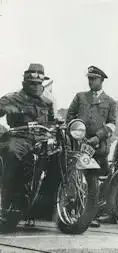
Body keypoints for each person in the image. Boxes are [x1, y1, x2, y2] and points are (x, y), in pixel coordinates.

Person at [0, 63, 55, 230]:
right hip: (20, 138)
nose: (36, 87)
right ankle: (5, 205)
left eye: (39, 83)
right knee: (12, 154)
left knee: (60, 157)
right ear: (24, 82)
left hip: (42, 139)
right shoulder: (12, 97)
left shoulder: (47, 102)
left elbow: (52, 123)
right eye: (32, 83)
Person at [66, 66, 116, 228]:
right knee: (76, 179)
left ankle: (91, 215)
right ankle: (73, 211)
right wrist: (77, 133)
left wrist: (97, 137)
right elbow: (70, 116)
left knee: (94, 182)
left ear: (102, 81)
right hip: (78, 144)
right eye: (89, 78)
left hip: (98, 147)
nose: (90, 81)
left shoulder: (110, 102)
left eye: (94, 79)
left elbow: (112, 125)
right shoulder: (80, 97)